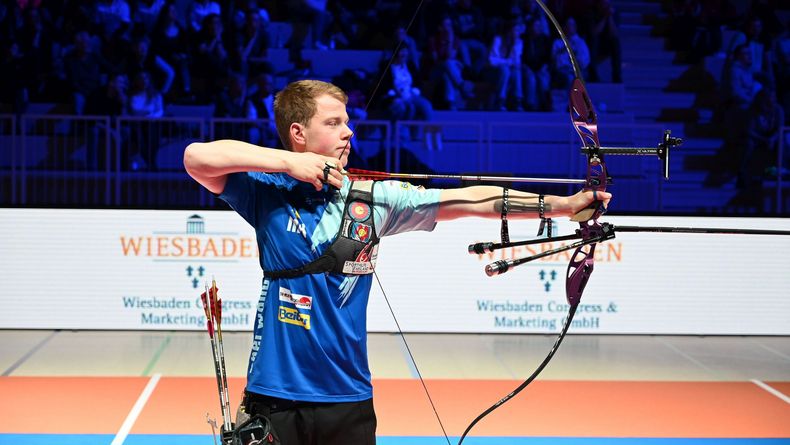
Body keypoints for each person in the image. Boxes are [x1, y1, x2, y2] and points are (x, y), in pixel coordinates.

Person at [183, 79, 610, 445]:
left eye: (346, 121)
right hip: (274, 398)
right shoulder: (266, 193)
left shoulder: (372, 200)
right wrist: (288, 163)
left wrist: (561, 205)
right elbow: (196, 158)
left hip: (346, 402)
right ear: (298, 133)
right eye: (333, 123)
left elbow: (470, 200)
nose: (348, 131)